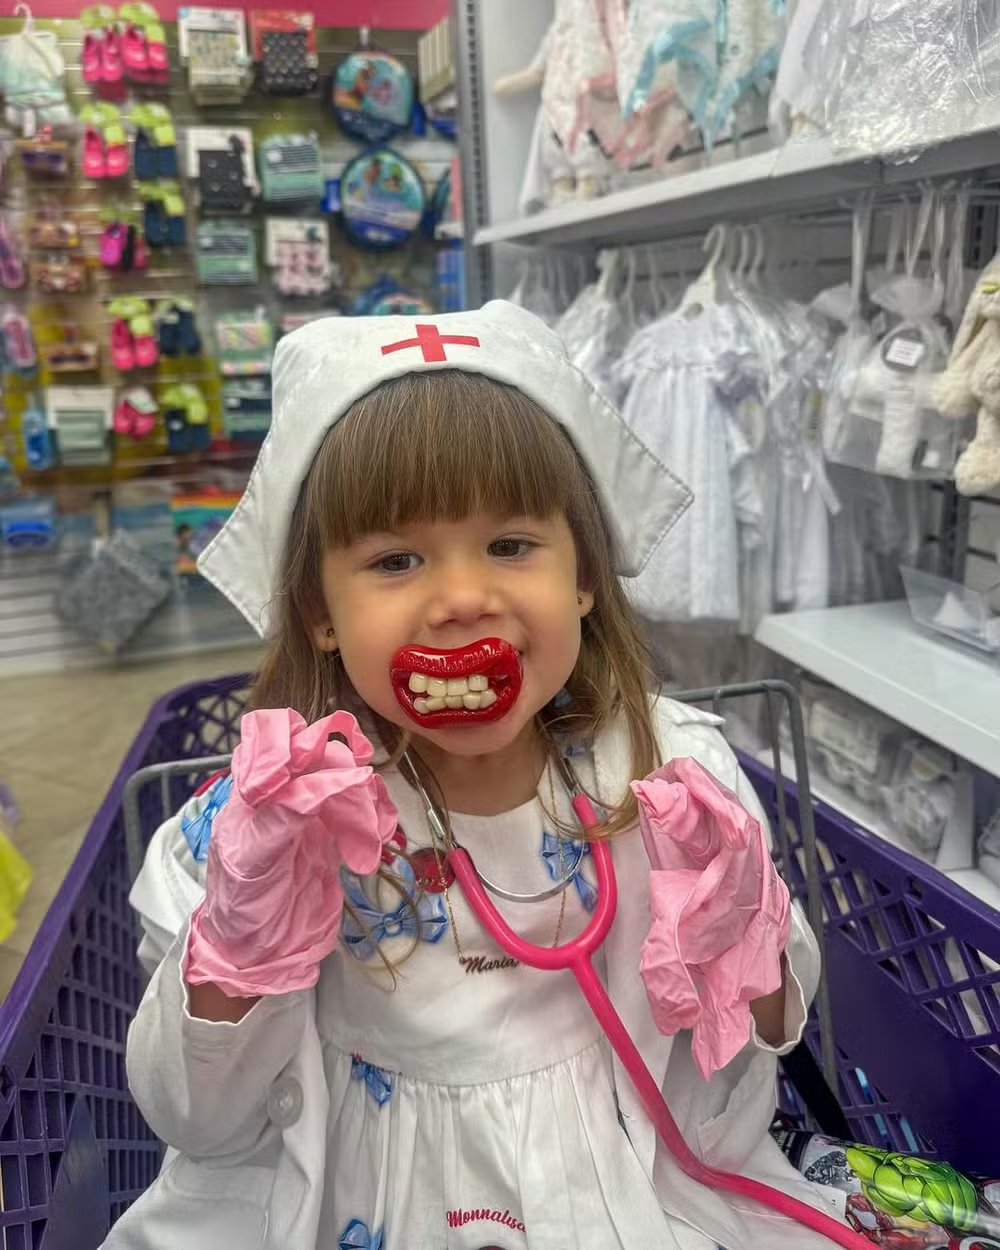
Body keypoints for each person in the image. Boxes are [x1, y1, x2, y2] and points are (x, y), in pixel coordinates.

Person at [106, 302, 841, 1250]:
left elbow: (771, 1036)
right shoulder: (263, 829)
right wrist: (244, 948)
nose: (460, 599)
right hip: (362, 1186)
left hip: (636, 1169)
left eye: (510, 545)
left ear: (583, 575)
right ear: (319, 611)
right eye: (396, 559)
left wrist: (740, 934)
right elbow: (199, 1123)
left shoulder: (669, 777)